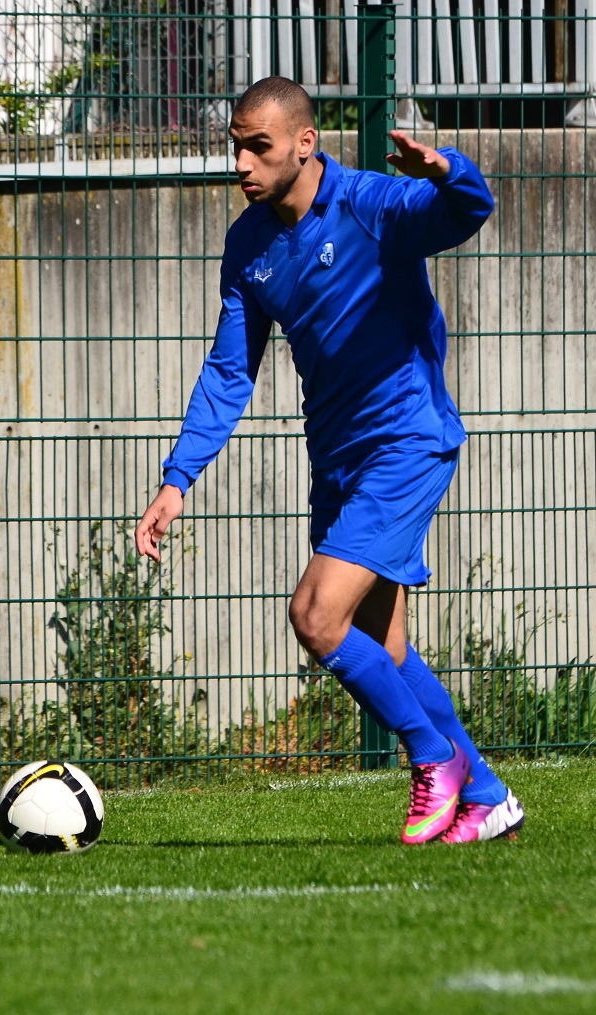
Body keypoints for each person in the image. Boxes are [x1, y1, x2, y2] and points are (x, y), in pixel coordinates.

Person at [135, 76, 524, 845]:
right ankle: (487, 796)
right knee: (384, 646)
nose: (242, 162)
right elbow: (228, 368)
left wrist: (447, 169)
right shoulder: (248, 242)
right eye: (236, 146)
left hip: (406, 442)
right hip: (336, 455)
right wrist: (178, 478)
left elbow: (466, 213)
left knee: (315, 616)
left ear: (304, 144)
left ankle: (432, 758)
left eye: (259, 146)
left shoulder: (374, 204)